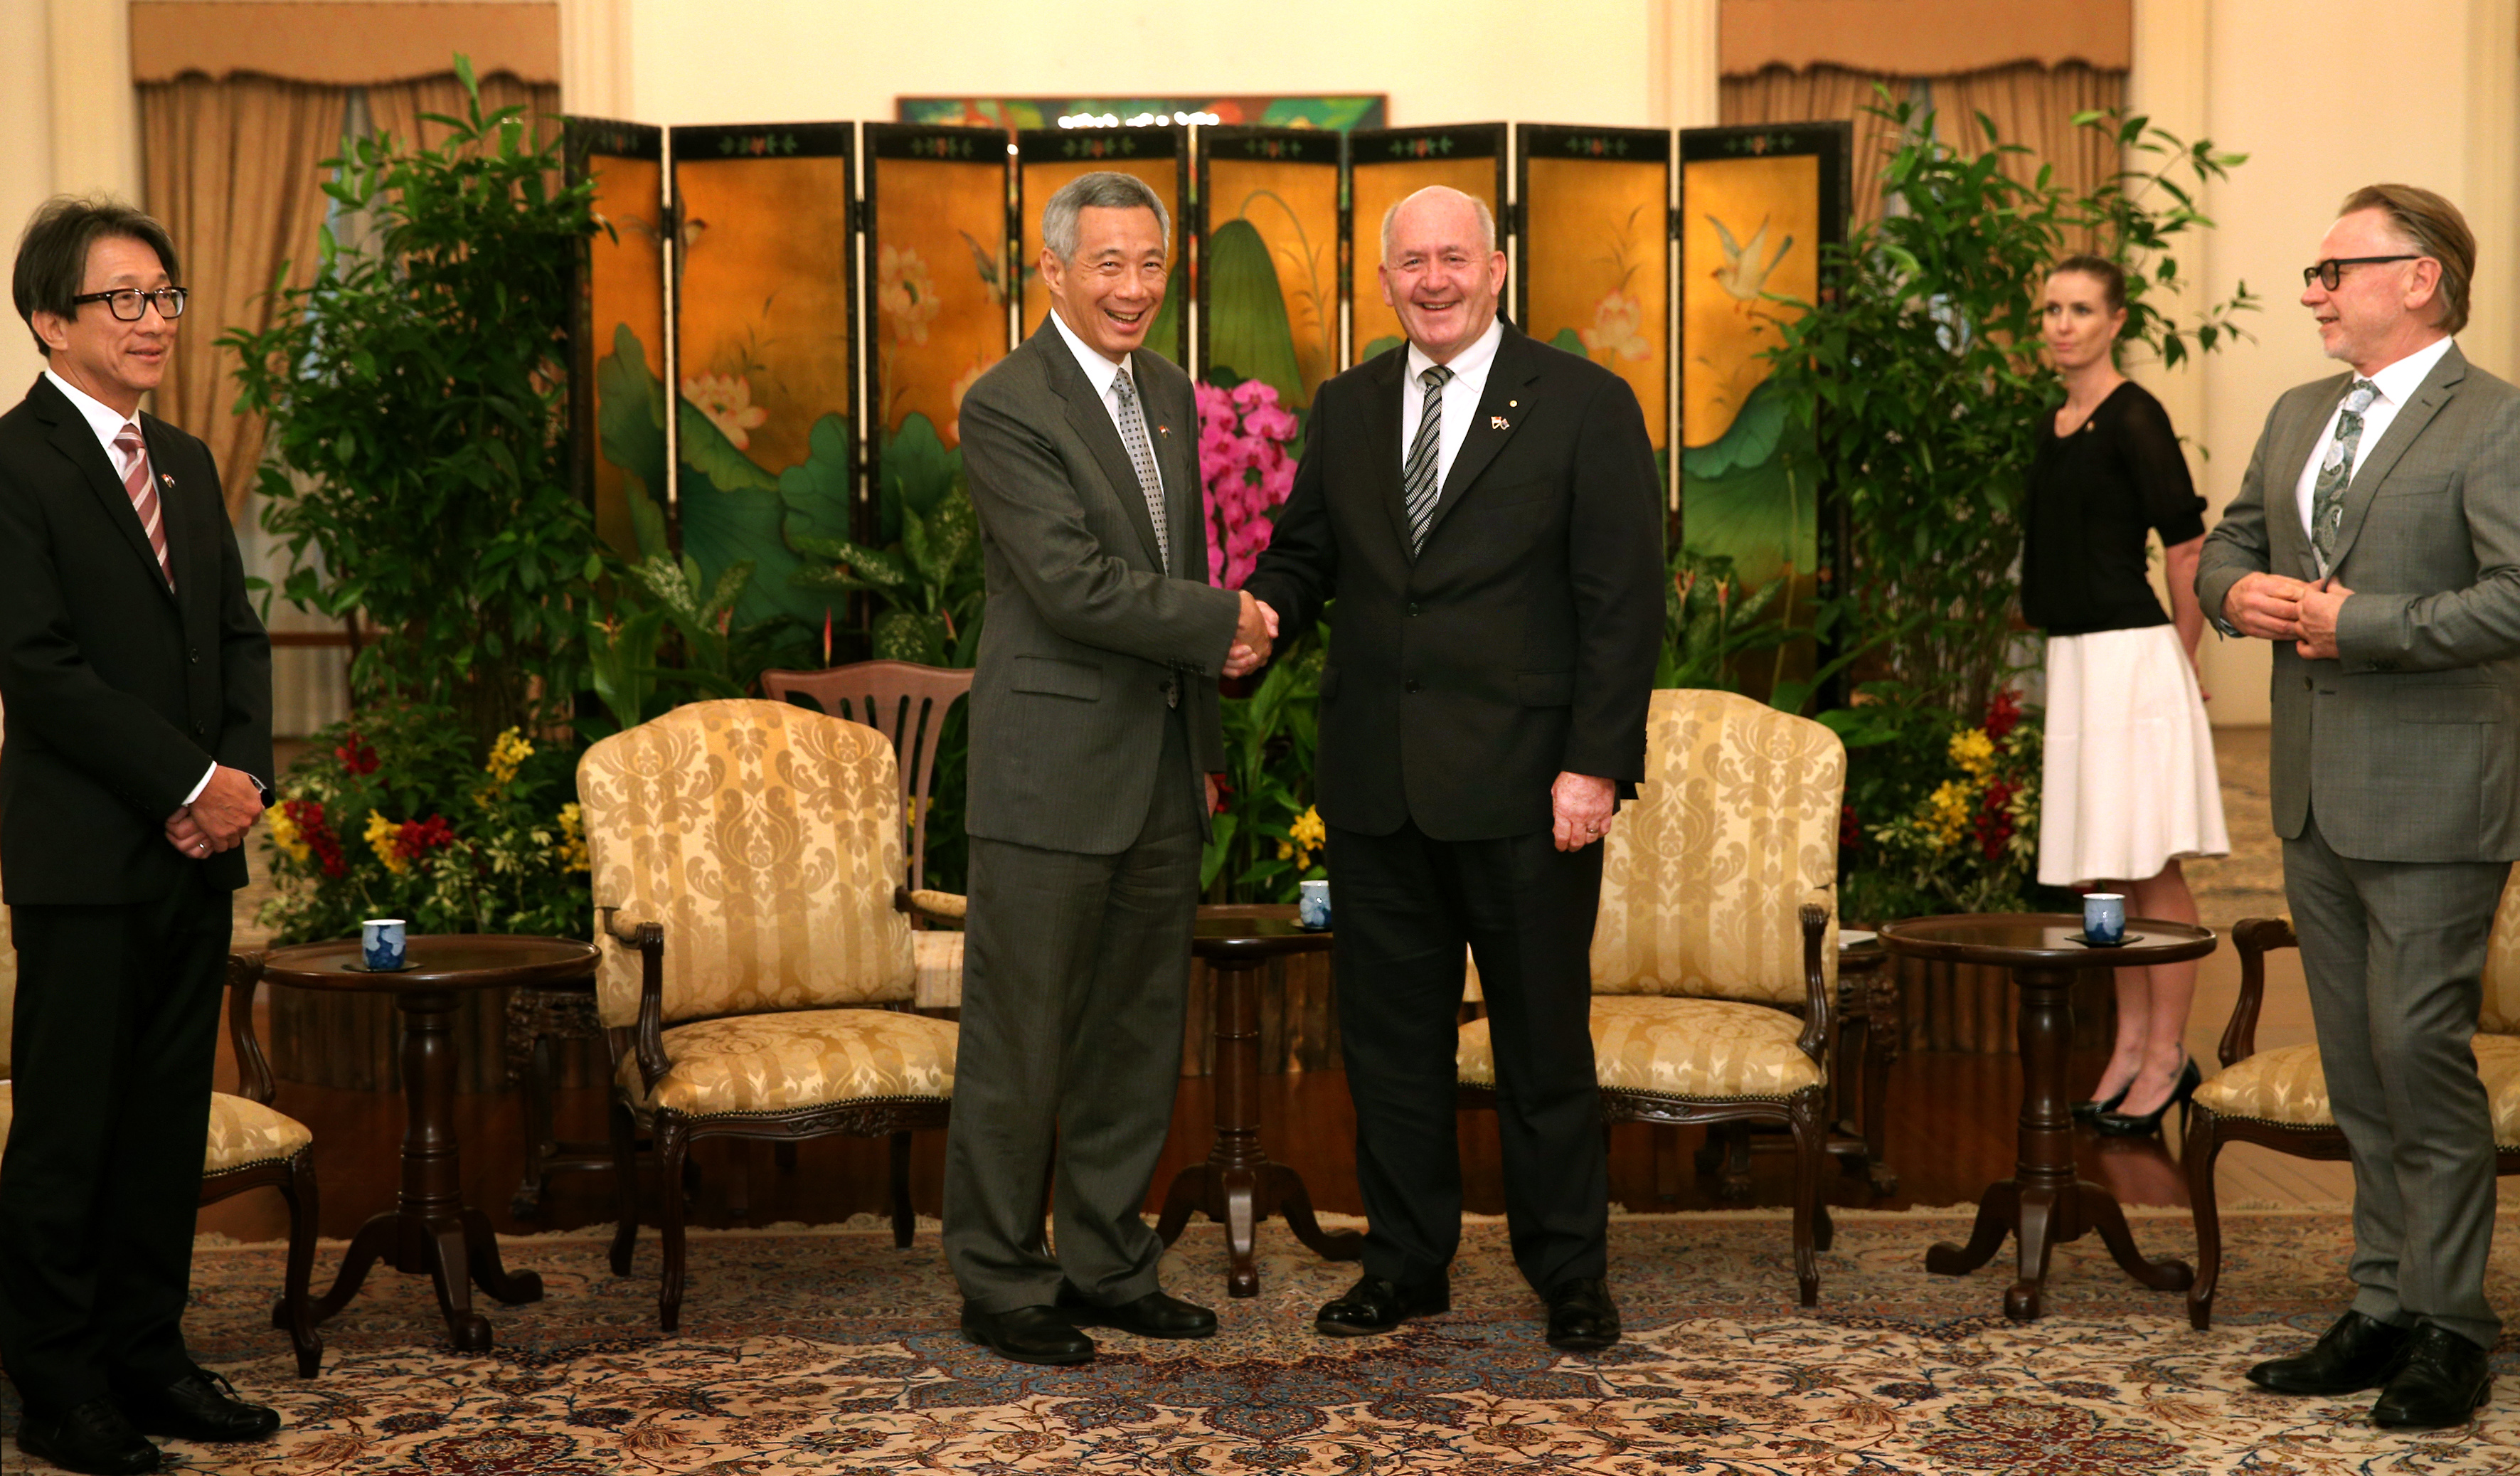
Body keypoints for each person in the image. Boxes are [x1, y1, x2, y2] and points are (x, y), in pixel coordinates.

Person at [1242, 186, 1663, 1352]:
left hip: (1531, 791)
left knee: (1540, 1046)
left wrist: (1593, 766)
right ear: (1380, 283)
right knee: (1389, 1048)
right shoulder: (1346, 405)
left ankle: (1569, 1274)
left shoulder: (1581, 405)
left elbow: (1621, 605)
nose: (1431, 279)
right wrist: (1258, 618)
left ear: (1497, 270)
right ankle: (1404, 1263)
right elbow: (1304, 553)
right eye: (1409, 263)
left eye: (1452, 259)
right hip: (1379, 790)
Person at [2197, 184, 2520, 1430]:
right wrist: (2242, 600)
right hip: (2313, 798)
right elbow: (2227, 545)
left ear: (2420, 278)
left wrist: (2359, 626)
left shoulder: (2491, 422)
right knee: (2356, 1069)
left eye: (2336, 269)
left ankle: (2449, 1326)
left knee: (2416, 1058)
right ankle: (2379, 1303)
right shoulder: (2294, 415)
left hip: (2437, 796)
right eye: (2313, 271)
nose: (2312, 291)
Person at [943, 171, 1275, 1366]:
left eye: (1149, 264)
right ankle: (999, 1281)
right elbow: (1075, 586)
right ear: (1052, 269)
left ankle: (1105, 1263)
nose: (1133, 289)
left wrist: (1201, 748)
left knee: (1134, 1041)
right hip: (1047, 777)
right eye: (1108, 266)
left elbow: (1166, 564)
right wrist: (1224, 620)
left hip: (1154, 777)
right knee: (1018, 1040)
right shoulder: (1006, 405)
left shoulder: (1171, 396)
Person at [0, 197, 277, 1474]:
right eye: (125, 298)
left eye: (164, 295)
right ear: (51, 319)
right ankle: (56, 1387)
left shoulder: (189, 461)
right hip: (83, 859)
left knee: (166, 1118)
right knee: (71, 1129)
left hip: (194, 852)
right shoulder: (14, 466)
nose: (155, 319)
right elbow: (40, 670)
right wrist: (185, 782)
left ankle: (149, 1357)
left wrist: (239, 783)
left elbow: (232, 636)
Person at [2022, 255, 2229, 1138]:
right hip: (2074, 662)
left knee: (2150, 864)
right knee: (2101, 873)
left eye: (2079, 309)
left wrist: (2181, 659)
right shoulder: (2056, 421)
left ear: (2115, 323)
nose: (2061, 324)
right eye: (2050, 310)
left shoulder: (2136, 416)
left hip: (2134, 660)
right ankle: (2128, 1046)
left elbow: (2187, 546)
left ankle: (2168, 1051)